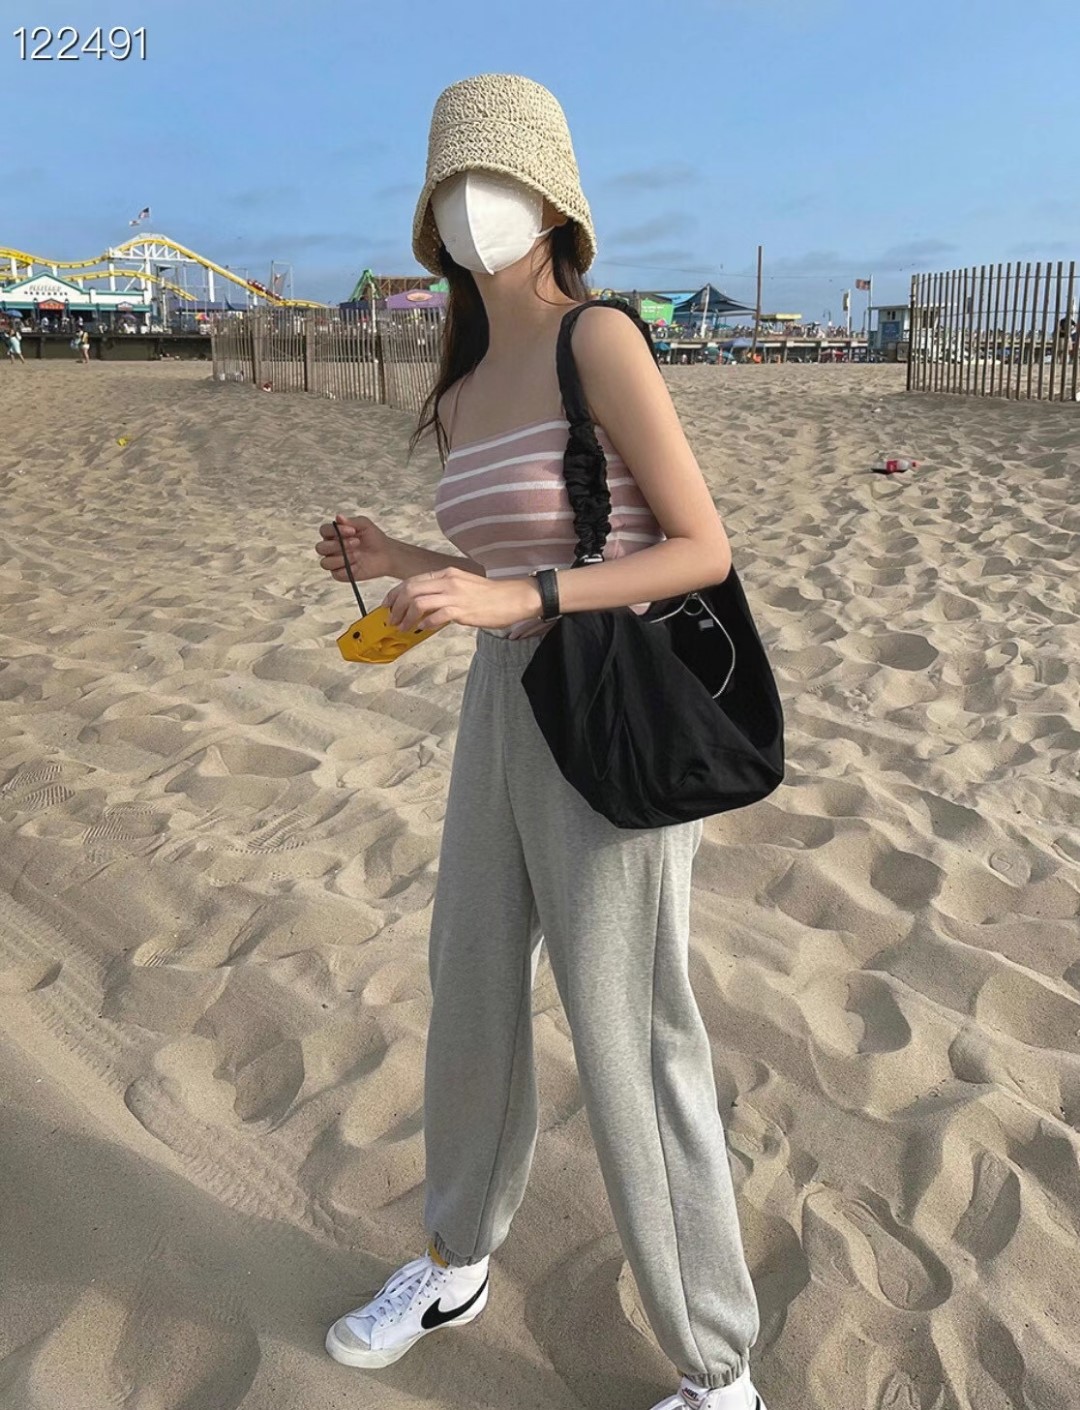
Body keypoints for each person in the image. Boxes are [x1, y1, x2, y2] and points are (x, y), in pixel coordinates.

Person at [315, 74, 765, 1410]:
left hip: (606, 712)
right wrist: (406, 558)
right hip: (499, 706)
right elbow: (501, 563)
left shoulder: (599, 341)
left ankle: (718, 1368)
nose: (472, 205)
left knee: (630, 1030)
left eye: (497, 178)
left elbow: (700, 549)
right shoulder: (461, 383)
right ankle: (455, 1256)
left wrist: (523, 600)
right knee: (469, 988)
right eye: (451, 184)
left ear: (553, 200)